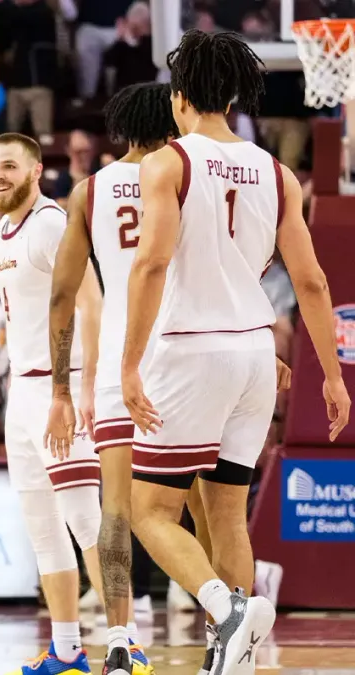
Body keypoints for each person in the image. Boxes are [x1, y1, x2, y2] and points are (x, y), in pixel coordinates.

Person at [121, 30, 349, 675]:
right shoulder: (278, 173)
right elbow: (312, 282)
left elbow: (151, 264)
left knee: (152, 510)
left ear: (180, 95)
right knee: (226, 513)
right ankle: (239, 655)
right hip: (255, 352)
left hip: (193, 348)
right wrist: (331, 377)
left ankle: (225, 609)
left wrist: (130, 362)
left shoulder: (168, 162)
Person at [45, 82, 179, 675]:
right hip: (177, 350)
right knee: (199, 500)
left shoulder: (88, 190)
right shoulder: (184, 174)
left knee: (115, 510)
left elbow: (63, 295)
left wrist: (62, 385)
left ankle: (121, 636)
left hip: (116, 362)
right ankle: (217, 616)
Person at [0, 132, 111, 675]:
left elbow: (90, 301)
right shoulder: (2, 229)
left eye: (10, 166)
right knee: (42, 526)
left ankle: (127, 642)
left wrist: (79, 390)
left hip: (63, 386)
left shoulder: (51, 223)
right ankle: (67, 652)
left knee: (86, 522)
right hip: (25, 391)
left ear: (36, 171)